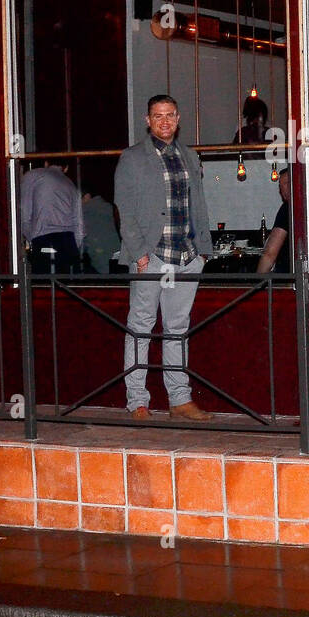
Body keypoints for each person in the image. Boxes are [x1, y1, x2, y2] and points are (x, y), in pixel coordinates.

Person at [114, 94, 214, 421]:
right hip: (151, 256)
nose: (165, 121)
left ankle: (179, 399)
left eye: (170, 115)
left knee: (177, 328)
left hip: (186, 255)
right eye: (158, 116)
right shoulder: (131, 158)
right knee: (141, 327)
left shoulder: (189, 155)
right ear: (147, 120)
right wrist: (140, 254)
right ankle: (138, 401)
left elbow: (198, 205)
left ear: (178, 117)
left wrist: (203, 250)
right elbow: (124, 210)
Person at [257, 168, 309, 274]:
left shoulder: (290, 209)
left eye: (286, 183)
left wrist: (257, 283)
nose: (282, 188)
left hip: (292, 283)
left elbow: (270, 254)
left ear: (302, 184)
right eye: (280, 185)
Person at [19, 163, 84, 274]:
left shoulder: (33, 176)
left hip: (44, 239)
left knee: (45, 287)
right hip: (69, 241)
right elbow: (79, 224)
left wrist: (34, 239)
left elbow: (24, 215)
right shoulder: (70, 184)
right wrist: (74, 247)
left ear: (46, 163)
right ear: (66, 167)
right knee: (68, 286)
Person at [81, 189, 122, 273]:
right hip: (117, 256)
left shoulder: (86, 214)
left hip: (100, 261)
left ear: (87, 196)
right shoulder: (109, 208)